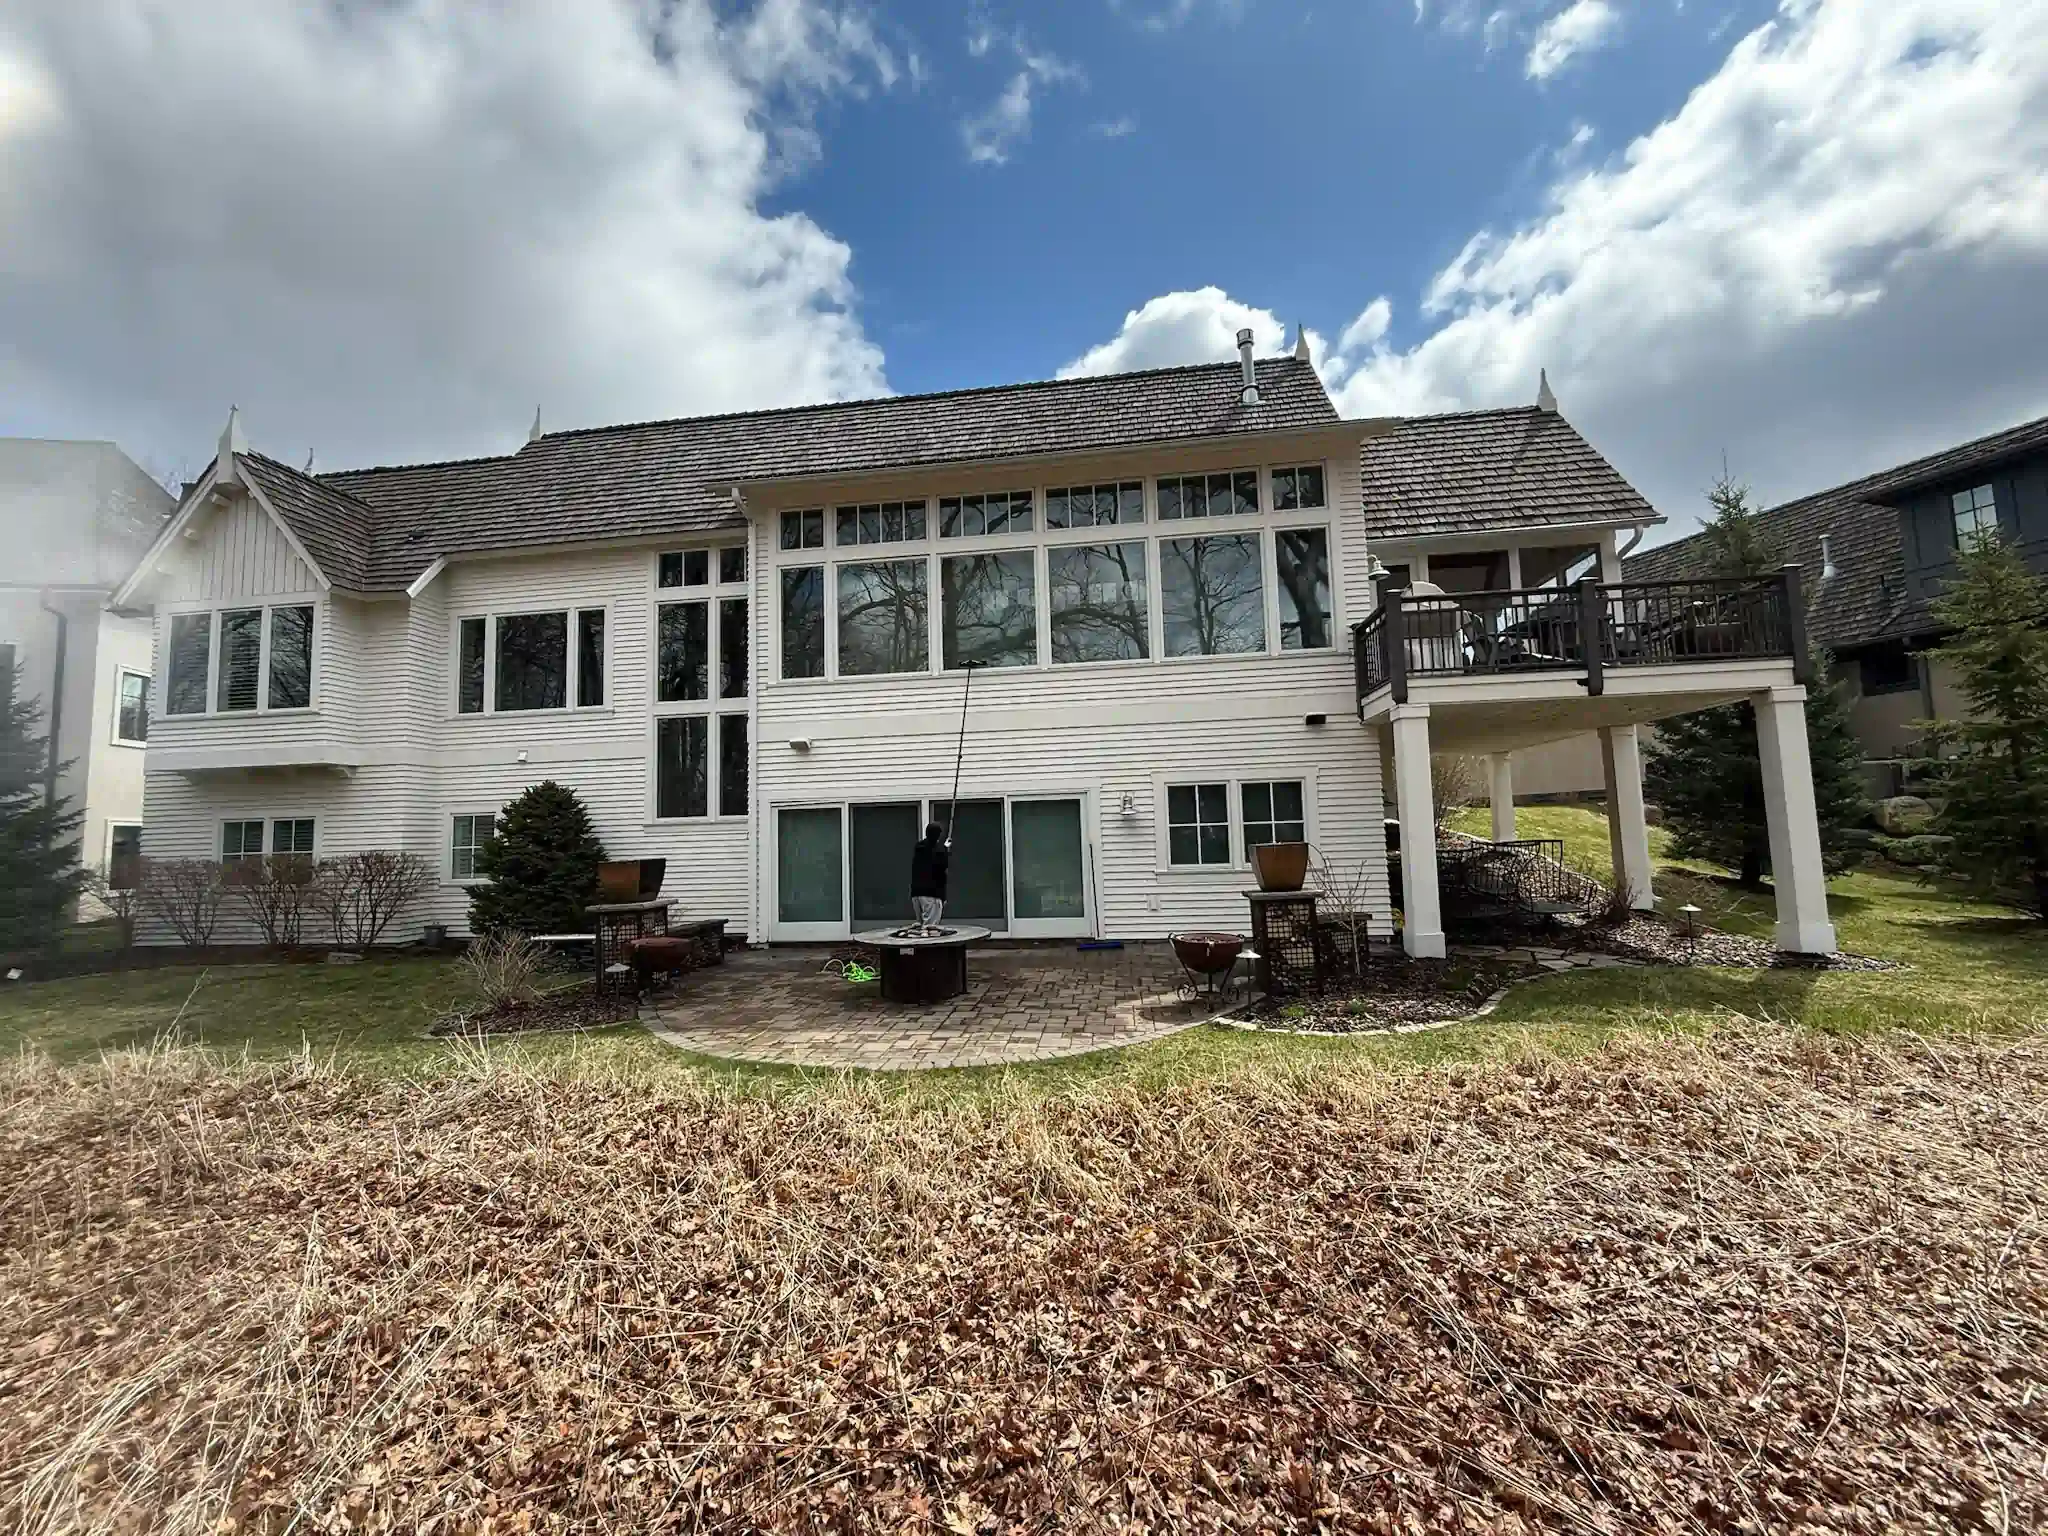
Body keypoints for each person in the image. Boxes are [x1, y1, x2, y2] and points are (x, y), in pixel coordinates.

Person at [910, 821, 950, 930]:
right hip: (931, 894)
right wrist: (945, 849)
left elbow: (930, 855)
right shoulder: (940, 851)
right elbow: (941, 868)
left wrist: (944, 848)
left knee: (921, 925)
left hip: (916, 894)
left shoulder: (919, 847)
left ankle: (917, 945)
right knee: (930, 929)